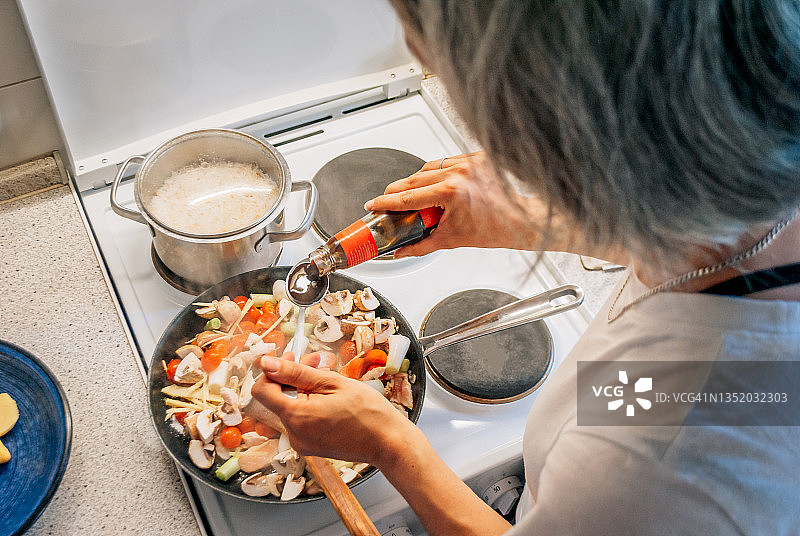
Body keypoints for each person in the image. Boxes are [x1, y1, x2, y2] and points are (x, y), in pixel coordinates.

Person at [253, 1, 800, 534]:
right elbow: (715, 268)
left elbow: (669, 430)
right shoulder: (768, 177)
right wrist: (526, 222)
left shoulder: (650, 467)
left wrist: (388, 443)